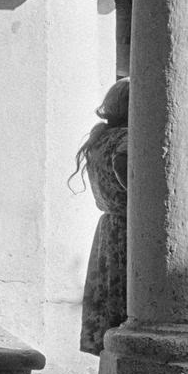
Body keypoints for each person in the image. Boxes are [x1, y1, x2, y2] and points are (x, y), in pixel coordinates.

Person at [70, 77, 129, 356]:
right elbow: (128, 173)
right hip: (129, 231)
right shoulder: (126, 141)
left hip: (109, 230)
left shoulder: (100, 140)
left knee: (110, 303)